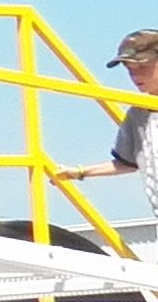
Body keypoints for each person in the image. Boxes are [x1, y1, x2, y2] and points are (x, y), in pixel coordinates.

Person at [63, 26, 158, 233]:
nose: (135, 76)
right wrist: (80, 172)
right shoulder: (138, 112)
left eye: (143, 67)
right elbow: (127, 162)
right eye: (130, 70)